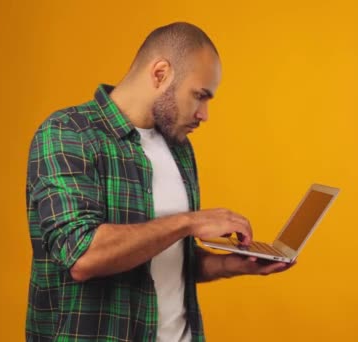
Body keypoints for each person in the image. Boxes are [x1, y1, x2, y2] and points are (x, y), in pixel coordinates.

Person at [25, 22, 294, 342]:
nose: (204, 114)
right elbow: (81, 256)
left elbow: (168, 257)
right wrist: (188, 222)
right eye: (199, 96)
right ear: (160, 73)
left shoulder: (179, 148)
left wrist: (228, 265)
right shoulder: (67, 133)